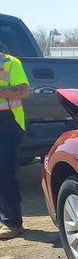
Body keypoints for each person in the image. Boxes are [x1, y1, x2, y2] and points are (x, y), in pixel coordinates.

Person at [0, 40, 29, 239]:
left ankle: (13, 222)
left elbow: (24, 91)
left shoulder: (11, 64)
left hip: (10, 125)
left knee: (5, 172)